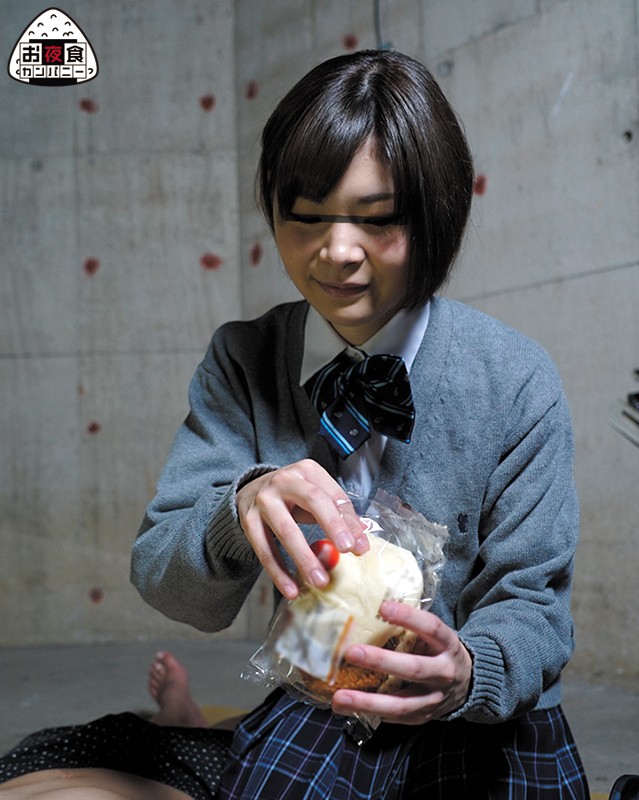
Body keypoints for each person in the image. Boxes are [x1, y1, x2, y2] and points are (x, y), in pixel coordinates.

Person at [0, 48, 589, 799]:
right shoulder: (244, 359)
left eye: (377, 219)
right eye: (306, 217)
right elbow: (166, 582)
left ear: (435, 215)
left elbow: (535, 608)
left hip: (481, 719)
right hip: (318, 699)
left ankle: (196, 727)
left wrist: (468, 671)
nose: (336, 252)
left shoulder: (515, 377)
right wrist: (238, 509)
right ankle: (196, 727)